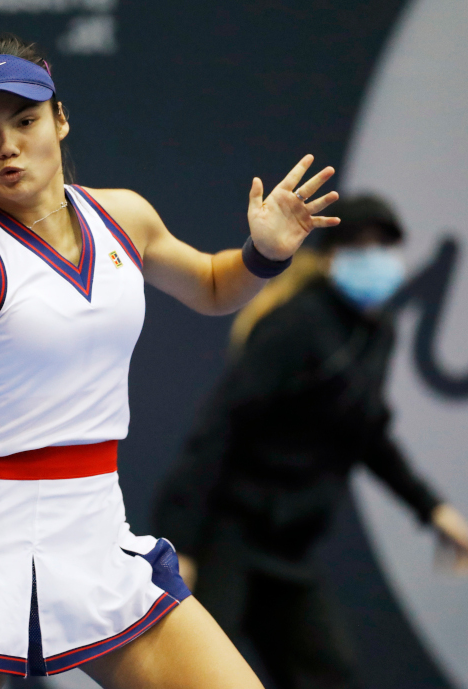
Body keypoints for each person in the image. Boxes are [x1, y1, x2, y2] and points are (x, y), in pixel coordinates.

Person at [0, 33, 340, 688]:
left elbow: (213, 285)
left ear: (60, 119)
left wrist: (262, 254)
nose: (8, 145)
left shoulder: (123, 214)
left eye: (25, 120)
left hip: (93, 528)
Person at [152, 195, 468, 689]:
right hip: (228, 539)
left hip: (290, 549)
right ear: (333, 254)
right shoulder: (295, 325)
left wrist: (434, 512)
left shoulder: (379, 333)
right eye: (362, 245)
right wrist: (181, 546)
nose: (377, 256)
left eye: (386, 245)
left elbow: (367, 434)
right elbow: (219, 427)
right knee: (199, 680)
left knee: (330, 677)